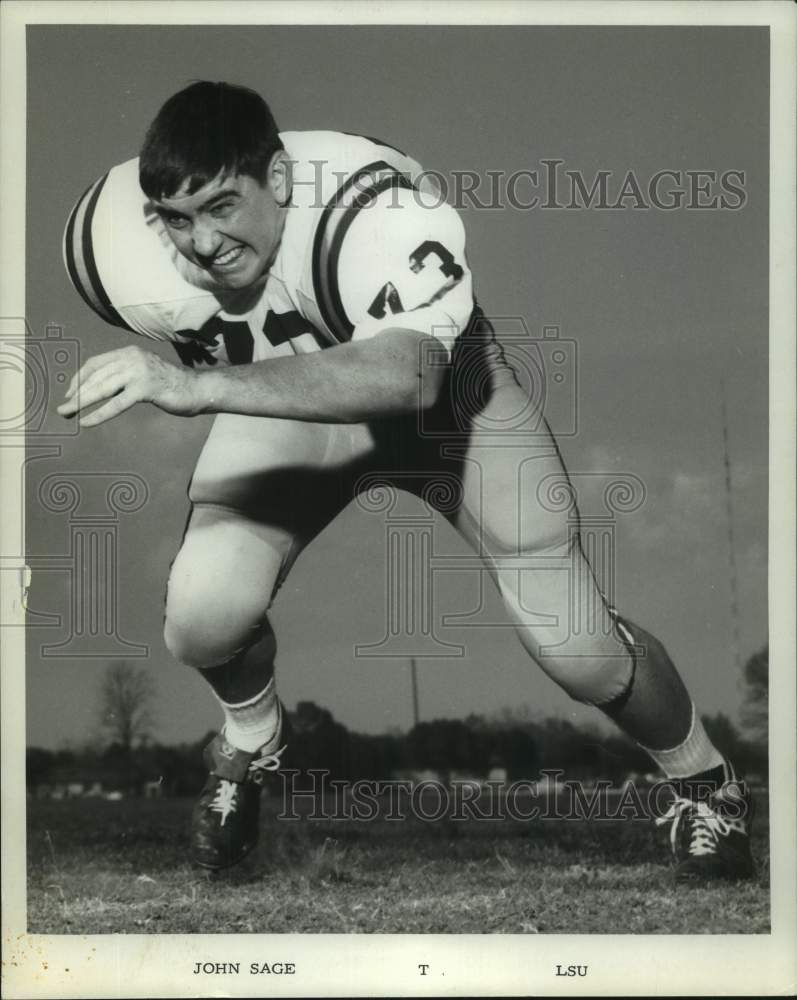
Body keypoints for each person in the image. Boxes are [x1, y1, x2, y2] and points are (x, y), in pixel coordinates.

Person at [60, 81, 753, 881]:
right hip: (291, 401)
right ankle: (251, 741)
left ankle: (707, 785)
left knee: (578, 652)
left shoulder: (377, 208)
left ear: (279, 180)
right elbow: (174, 262)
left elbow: (408, 374)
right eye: (177, 220)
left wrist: (198, 388)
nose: (203, 243)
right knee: (200, 616)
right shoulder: (109, 248)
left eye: (222, 207)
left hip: (446, 403)